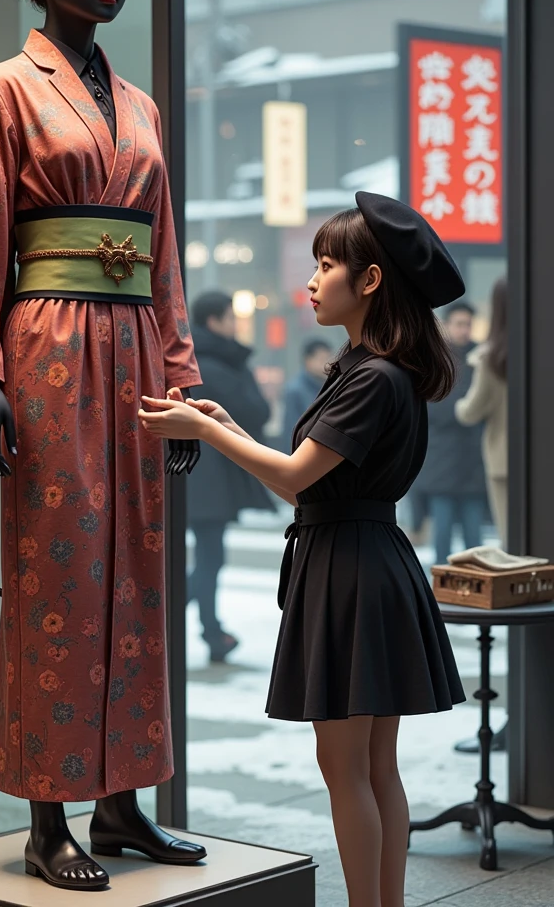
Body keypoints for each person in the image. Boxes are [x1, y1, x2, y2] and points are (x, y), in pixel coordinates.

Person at [0, 0, 206, 892]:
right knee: (57, 576)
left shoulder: (139, 107)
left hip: (133, 350)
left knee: (138, 575)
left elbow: (162, 248)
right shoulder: (3, 86)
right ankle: (49, 820)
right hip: (46, 351)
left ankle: (124, 804)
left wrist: (179, 376)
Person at [140, 191, 466, 907]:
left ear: (371, 280)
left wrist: (206, 434)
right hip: (372, 561)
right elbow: (308, 483)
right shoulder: (381, 371)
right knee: (377, 766)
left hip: (350, 570)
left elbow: (293, 480)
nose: (311, 282)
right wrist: (227, 424)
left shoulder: (369, 376)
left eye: (326, 265)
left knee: (347, 766)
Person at [187, 291, 274, 663]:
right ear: (214, 322)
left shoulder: (191, 360)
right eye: (230, 318)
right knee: (210, 558)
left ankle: (211, 631)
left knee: (207, 557)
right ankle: (206, 630)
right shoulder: (219, 364)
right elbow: (256, 411)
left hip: (194, 476)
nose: (234, 326)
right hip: (208, 479)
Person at [453, 276, 508, 755]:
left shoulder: (492, 358)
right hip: (512, 469)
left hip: (505, 469)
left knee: (510, 570)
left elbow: (470, 411)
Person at [413, 301, 486, 565]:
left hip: (474, 462)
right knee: (441, 538)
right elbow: (430, 406)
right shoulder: (435, 358)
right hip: (440, 463)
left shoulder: (482, 358)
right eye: (459, 323)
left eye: (468, 324)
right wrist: (464, 410)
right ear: (446, 325)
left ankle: (478, 596)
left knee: (475, 542)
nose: (463, 330)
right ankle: (443, 598)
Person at [281, 339, 333, 452]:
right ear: (308, 360)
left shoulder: (329, 386)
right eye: (321, 359)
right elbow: (291, 431)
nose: (327, 364)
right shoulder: (295, 390)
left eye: (329, 359)